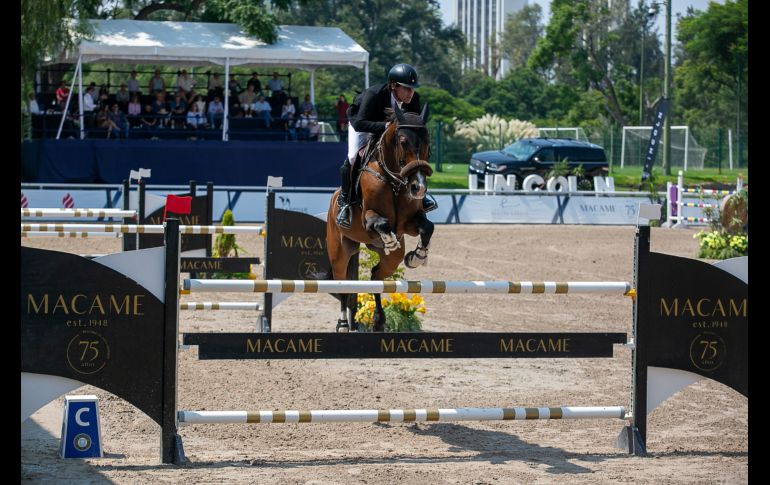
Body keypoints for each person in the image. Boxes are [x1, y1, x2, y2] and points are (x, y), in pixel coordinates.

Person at [335, 63, 436, 228]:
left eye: (413, 88)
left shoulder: (414, 100)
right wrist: (385, 127)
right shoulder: (374, 95)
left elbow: (414, 127)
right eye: (407, 88)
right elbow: (360, 123)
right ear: (394, 86)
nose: (411, 92)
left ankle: (421, 195)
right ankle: (345, 202)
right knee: (353, 157)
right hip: (363, 124)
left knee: (410, 152)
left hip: (393, 131)